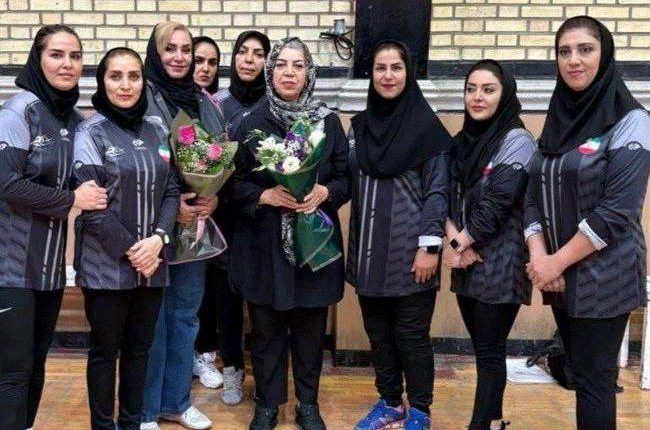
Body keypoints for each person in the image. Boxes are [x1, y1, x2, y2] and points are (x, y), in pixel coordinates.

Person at [524, 16, 650, 430]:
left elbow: (617, 211)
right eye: (564, 51)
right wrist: (540, 256)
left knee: (595, 385)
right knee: (579, 376)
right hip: (561, 276)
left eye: (585, 49)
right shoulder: (559, 118)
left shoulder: (633, 121)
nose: (573, 60)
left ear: (605, 54)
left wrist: (555, 262)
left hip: (606, 275)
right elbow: (533, 190)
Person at [230, 37, 349, 430]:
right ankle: (267, 404)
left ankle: (308, 404)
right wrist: (263, 195)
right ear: (270, 71)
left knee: (310, 332)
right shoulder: (251, 123)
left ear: (309, 73)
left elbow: (346, 178)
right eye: (281, 64)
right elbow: (231, 184)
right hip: (264, 245)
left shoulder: (327, 123)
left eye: (298, 66)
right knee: (266, 331)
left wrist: (325, 192)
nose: (289, 73)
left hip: (313, 245)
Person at [0, 24, 108, 430]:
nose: (67, 64)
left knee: (34, 363)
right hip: (9, 267)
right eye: (56, 54)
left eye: (75, 56)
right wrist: (70, 200)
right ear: (38, 58)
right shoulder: (18, 111)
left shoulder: (75, 120)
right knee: (12, 371)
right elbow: (7, 185)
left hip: (48, 271)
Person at [73, 47, 180, 430]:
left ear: (143, 82)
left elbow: (172, 191)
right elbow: (94, 208)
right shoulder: (90, 132)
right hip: (106, 267)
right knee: (105, 352)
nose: (125, 84)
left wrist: (159, 239)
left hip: (153, 262)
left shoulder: (157, 130)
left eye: (133, 76)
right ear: (102, 81)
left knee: (139, 351)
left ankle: (131, 424)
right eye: (115, 76)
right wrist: (137, 251)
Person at [348, 40, 451, 430]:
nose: (388, 76)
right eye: (380, 68)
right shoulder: (359, 126)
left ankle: (420, 410)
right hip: (369, 252)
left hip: (411, 254)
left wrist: (430, 247)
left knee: (411, 335)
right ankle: (390, 402)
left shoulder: (427, 128)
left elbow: (437, 191)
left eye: (396, 68)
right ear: (371, 75)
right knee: (378, 334)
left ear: (409, 73)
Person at [140, 21, 224, 430]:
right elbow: (134, 164)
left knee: (185, 316)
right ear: (155, 53)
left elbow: (218, 159)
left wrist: (213, 196)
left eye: (185, 49)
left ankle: (176, 402)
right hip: (153, 228)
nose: (179, 56)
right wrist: (171, 209)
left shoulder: (204, 102)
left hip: (195, 230)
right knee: (152, 321)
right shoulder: (140, 96)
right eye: (169, 48)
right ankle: (145, 410)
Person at [446, 60, 535, 430]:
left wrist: (460, 243)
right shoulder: (460, 143)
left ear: (505, 94)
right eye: (471, 89)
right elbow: (445, 196)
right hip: (466, 259)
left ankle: (480, 425)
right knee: (484, 349)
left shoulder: (518, 141)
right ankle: (495, 421)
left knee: (489, 350)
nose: (477, 97)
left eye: (488, 89)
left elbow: (498, 202)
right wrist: (457, 242)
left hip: (502, 261)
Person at [197, 30, 273, 406]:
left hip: (263, 216)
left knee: (263, 303)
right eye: (243, 51)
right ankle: (231, 369)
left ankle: (267, 372)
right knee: (226, 301)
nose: (249, 59)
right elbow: (203, 157)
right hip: (223, 218)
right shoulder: (217, 104)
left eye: (258, 53)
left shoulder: (275, 105)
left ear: (267, 62)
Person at [189, 34, 227, 392]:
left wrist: (213, 195)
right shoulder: (166, 102)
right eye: (198, 60)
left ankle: (205, 354)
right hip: (176, 210)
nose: (204, 67)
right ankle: (180, 356)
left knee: (208, 291)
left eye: (212, 62)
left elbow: (222, 160)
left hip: (211, 212)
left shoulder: (216, 107)